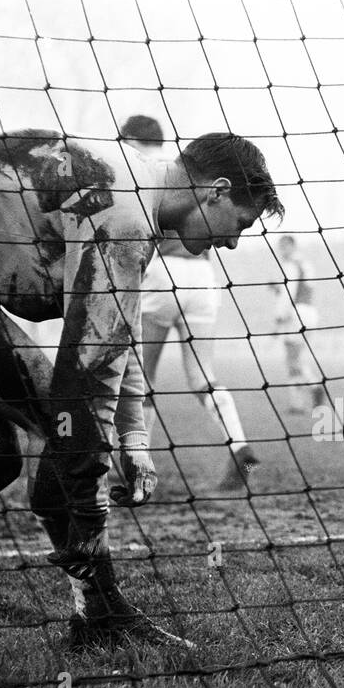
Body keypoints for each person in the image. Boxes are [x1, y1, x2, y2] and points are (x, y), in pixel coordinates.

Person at [0, 128, 283, 652]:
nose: (232, 241)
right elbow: (88, 374)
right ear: (216, 191)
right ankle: (100, 614)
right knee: (71, 429)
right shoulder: (129, 215)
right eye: (240, 225)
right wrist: (94, 455)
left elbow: (113, 333)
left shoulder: (129, 188)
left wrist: (132, 437)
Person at [120, 116, 260, 491]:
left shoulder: (142, 171)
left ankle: (139, 471)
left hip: (162, 275)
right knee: (203, 377)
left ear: (130, 138)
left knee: (141, 379)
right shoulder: (186, 167)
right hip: (202, 279)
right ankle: (239, 444)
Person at [270, 234, 326, 413]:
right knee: (298, 358)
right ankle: (302, 398)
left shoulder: (291, 265)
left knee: (292, 359)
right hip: (310, 312)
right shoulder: (305, 263)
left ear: (291, 246)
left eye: (284, 247)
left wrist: (279, 316)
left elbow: (290, 291)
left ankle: (310, 390)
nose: (282, 251)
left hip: (296, 314)